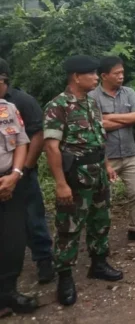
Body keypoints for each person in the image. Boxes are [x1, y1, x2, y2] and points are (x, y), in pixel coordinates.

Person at [43, 56, 122, 307]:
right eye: (92, 74)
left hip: (97, 172)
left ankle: (98, 263)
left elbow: (99, 139)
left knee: (101, 219)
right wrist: (60, 183)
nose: (97, 77)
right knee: (69, 227)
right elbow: (52, 148)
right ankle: (65, 277)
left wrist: (107, 165)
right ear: (76, 76)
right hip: (75, 177)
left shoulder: (91, 103)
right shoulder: (58, 106)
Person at [0, 59, 54, 284]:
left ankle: (44, 261)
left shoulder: (19, 102)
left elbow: (34, 136)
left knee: (33, 220)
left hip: (21, 173)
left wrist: (22, 171)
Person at [88, 57, 135, 244]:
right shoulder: (93, 97)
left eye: (122, 72)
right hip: (106, 157)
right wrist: (122, 119)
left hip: (129, 153)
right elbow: (96, 125)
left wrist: (109, 118)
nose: (121, 76)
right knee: (104, 199)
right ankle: (101, 237)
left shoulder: (129, 93)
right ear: (104, 76)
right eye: (117, 73)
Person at [0, 98, 37, 316]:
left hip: (9, 183)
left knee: (13, 241)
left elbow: (22, 142)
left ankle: (8, 293)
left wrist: (15, 175)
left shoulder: (7, 108)